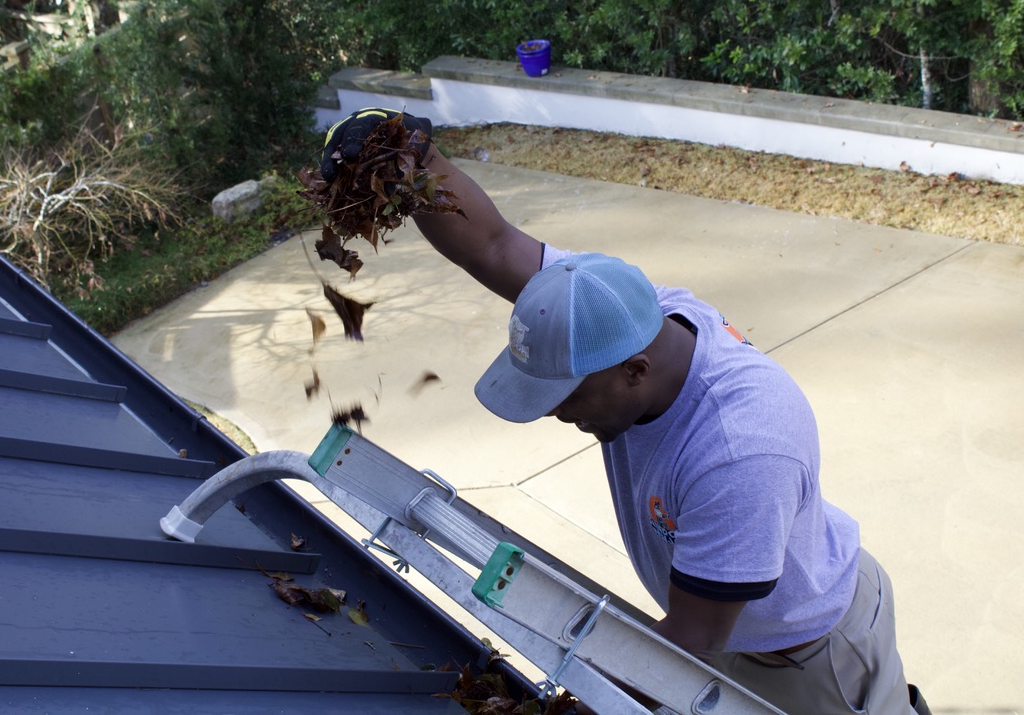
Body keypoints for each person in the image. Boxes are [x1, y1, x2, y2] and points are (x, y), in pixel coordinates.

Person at [320, 108, 929, 715]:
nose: (557, 416)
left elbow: (690, 645)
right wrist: (412, 163)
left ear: (633, 370)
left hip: (807, 654)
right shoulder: (617, 305)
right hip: (725, 617)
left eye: (566, 397)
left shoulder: (740, 450)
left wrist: (567, 709)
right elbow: (496, 245)